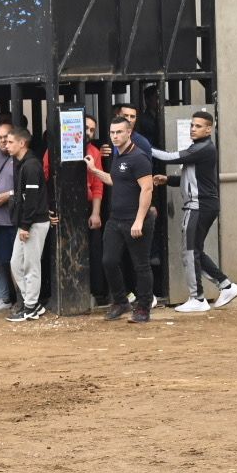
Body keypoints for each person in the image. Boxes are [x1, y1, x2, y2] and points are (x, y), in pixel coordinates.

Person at [150, 111, 237, 311]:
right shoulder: (199, 148)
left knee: (189, 252)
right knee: (195, 251)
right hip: (203, 205)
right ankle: (226, 285)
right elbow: (195, 177)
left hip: (199, 206)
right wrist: (169, 180)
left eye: (198, 126)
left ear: (209, 129)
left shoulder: (204, 147)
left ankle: (197, 298)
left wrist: (142, 146)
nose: (193, 128)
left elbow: (170, 157)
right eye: (192, 125)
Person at [89, 116, 155, 321]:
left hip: (135, 220)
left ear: (129, 132)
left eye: (119, 132)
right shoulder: (118, 156)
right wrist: (94, 170)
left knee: (141, 265)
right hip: (115, 220)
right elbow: (114, 180)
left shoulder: (139, 157)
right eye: (112, 132)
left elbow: (147, 188)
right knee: (108, 261)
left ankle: (143, 307)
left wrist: (139, 220)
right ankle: (121, 302)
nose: (115, 136)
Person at [0, 127, 51, 321]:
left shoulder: (30, 165)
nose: (6, 144)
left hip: (33, 223)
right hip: (27, 223)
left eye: (11, 142)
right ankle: (32, 303)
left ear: (22, 143)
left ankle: (30, 306)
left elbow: (32, 199)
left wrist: (26, 226)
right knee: (16, 263)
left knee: (30, 265)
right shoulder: (23, 163)